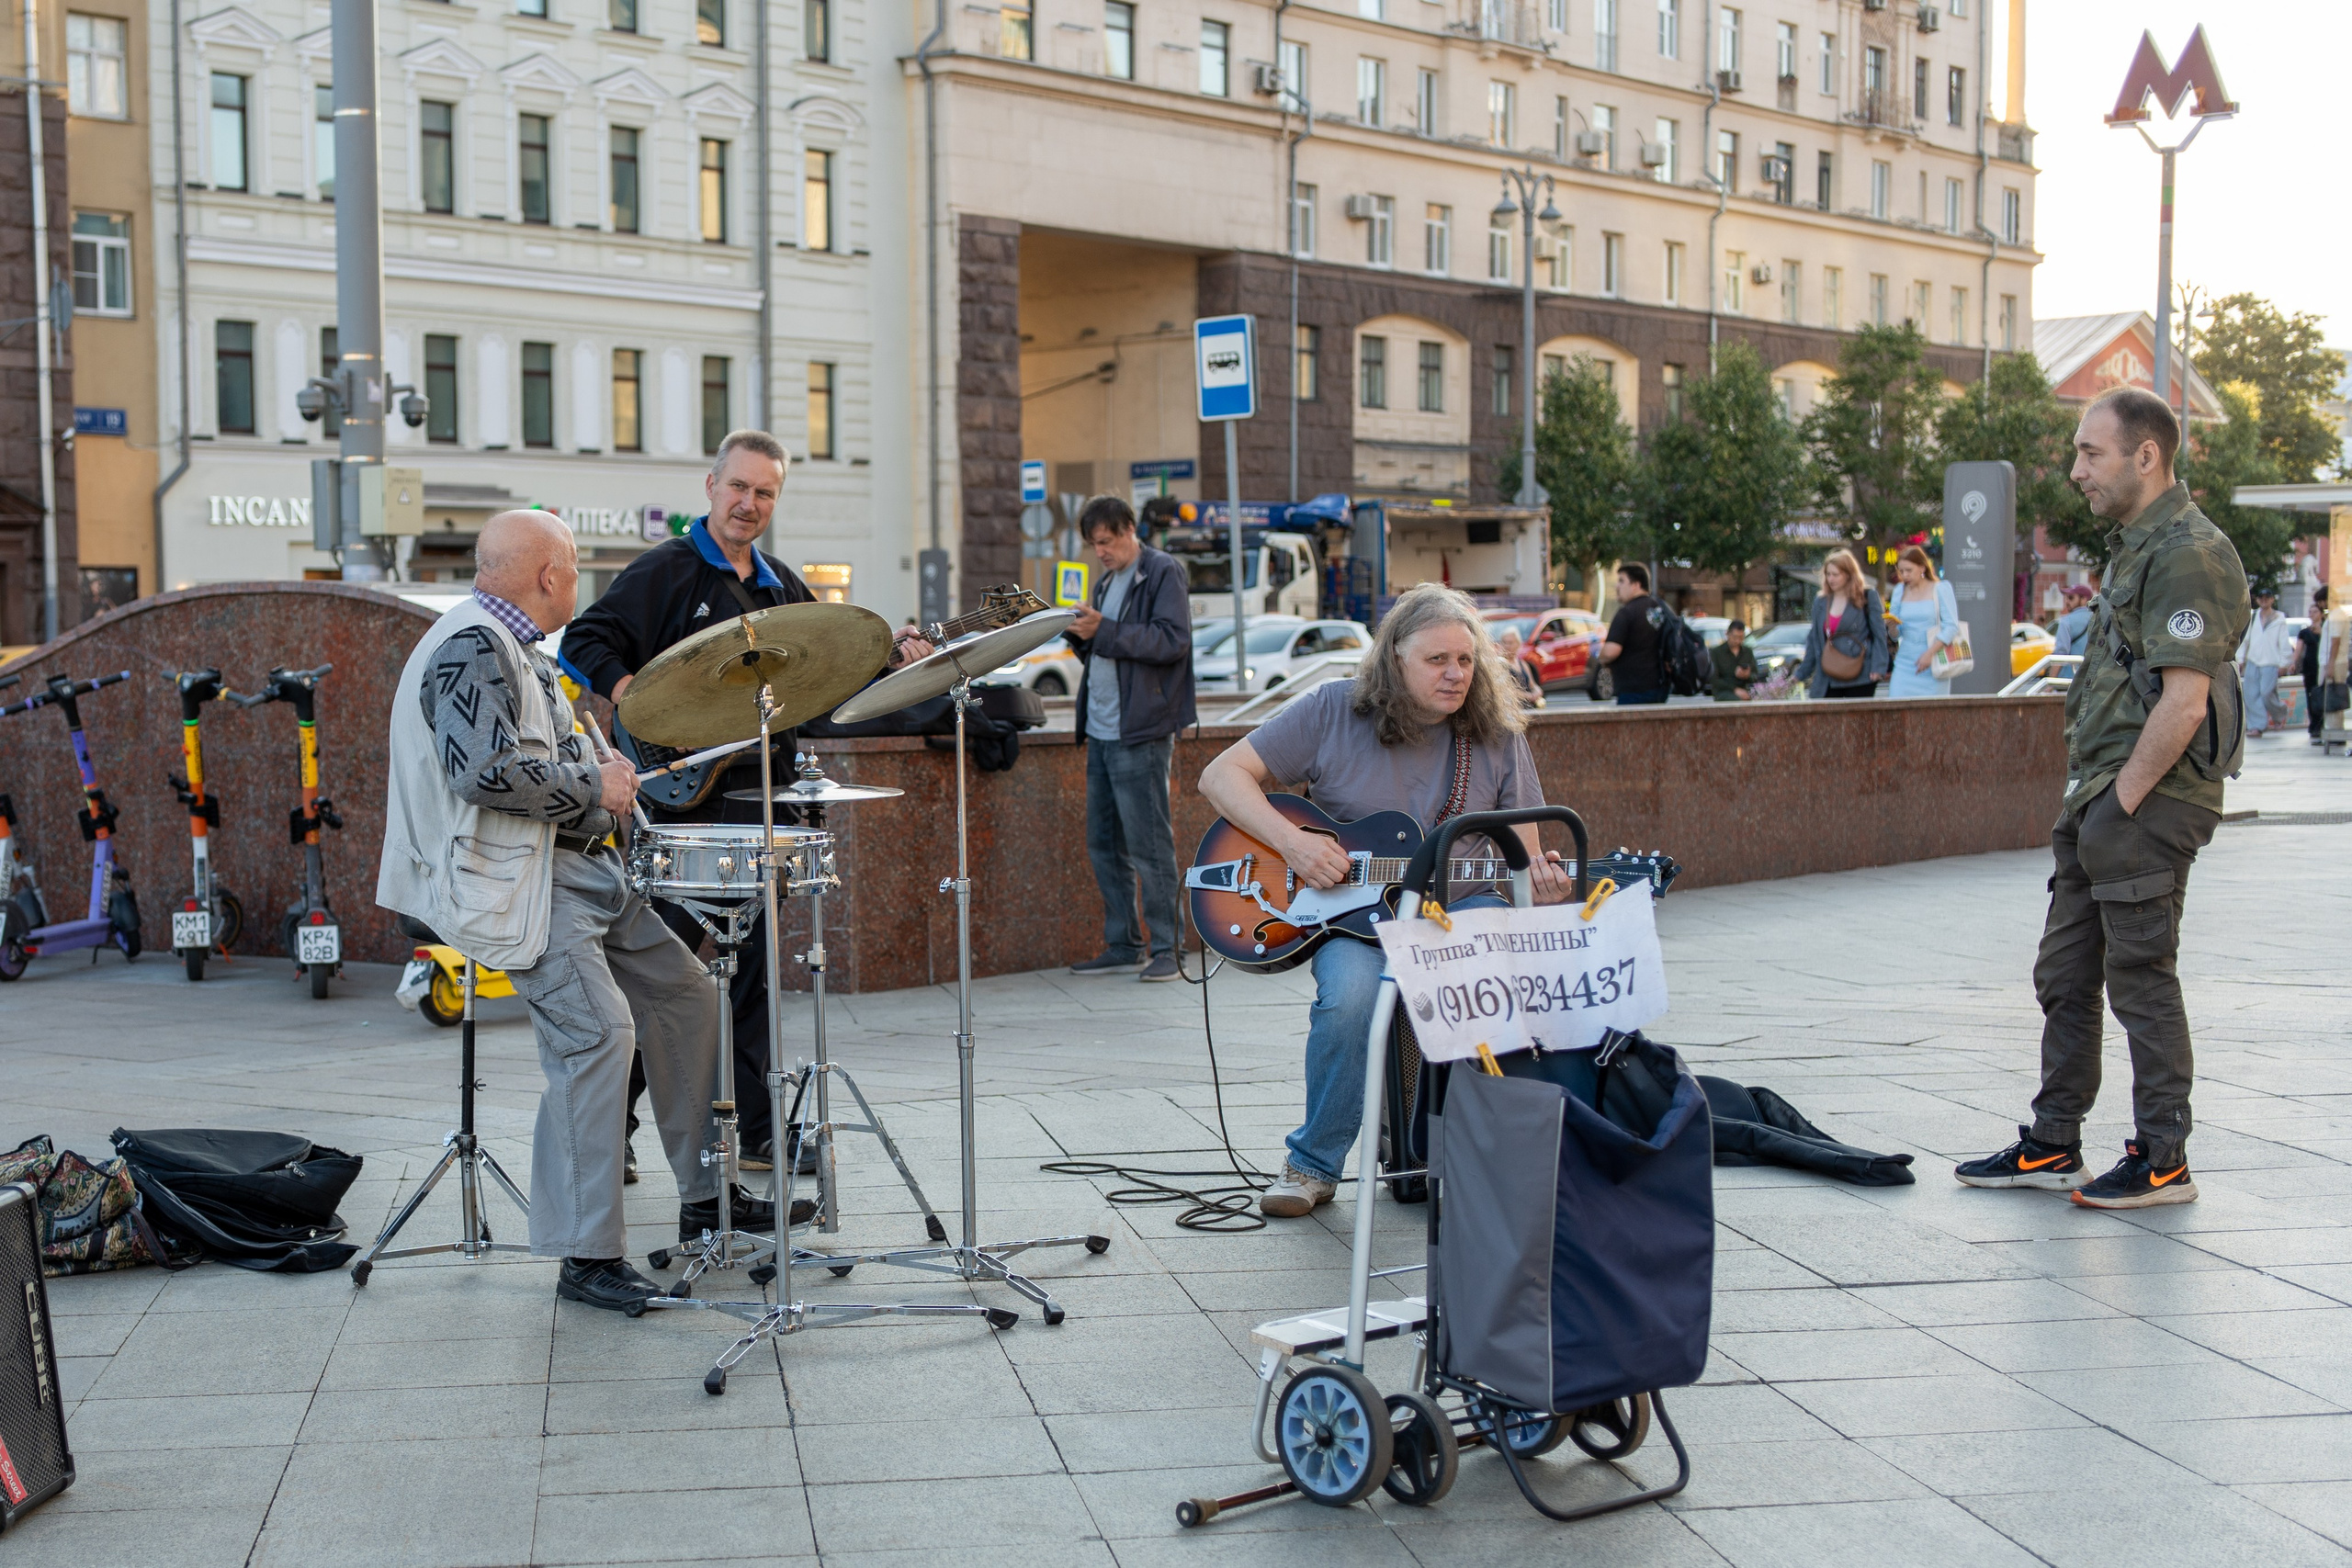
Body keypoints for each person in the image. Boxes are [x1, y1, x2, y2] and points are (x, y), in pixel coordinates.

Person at [378, 511, 767, 1312]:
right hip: (520, 881)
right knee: (597, 1035)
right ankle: (585, 1254)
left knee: (688, 995)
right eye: (576, 566)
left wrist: (595, 765)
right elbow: (485, 773)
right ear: (548, 575)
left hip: (576, 867)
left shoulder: (514, 643)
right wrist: (596, 784)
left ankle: (705, 1200)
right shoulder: (471, 644)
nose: (580, 580)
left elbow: (527, 756)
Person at [560, 429, 930, 1174]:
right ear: (711, 486)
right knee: (657, 976)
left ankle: (759, 1131)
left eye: (764, 492)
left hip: (761, 803)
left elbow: (823, 688)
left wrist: (891, 661)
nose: (748, 503)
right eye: (738, 486)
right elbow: (583, 640)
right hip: (681, 809)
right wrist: (641, 700)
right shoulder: (664, 570)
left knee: (756, 975)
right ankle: (608, 1129)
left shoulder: (782, 587)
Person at [1197, 584, 1576, 1219]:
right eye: (1438, 659)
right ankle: (1313, 1164)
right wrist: (1294, 845)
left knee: (1485, 985)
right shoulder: (1331, 709)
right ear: (1394, 657)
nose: (1456, 674)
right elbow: (1220, 776)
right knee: (1350, 1001)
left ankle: (1475, 1153)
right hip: (1348, 913)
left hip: (1462, 901)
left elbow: (1523, 858)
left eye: (1466, 659)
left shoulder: (1495, 732)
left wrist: (1545, 887)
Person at [1956, 386, 2247, 1210]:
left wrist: (2120, 803)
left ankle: (2163, 1159)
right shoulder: (2136, 545)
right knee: (2066, 972)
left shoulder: (2189, 551)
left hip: (2149, 800)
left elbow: (2184, 701)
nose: (2076, 469)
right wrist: (2095, 802)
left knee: (2140, 977)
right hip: (2102, 796)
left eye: (2091, 452)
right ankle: (2054, 1142)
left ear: (2145, 456)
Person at [1063, 495, 1196, 983]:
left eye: (1106, 541)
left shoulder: (1161, 571)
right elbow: (1107, 650)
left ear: (1128, 531)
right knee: (1103, 843)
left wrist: (1105, 630)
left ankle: (1169, 949)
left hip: (1140, 731)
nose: (1100, 551)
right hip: (1101, 730)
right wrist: (1080, 634)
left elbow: (1172, 640)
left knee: (1149, 844)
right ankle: (1123, 944)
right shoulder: (1106, 582)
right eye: (1093, 544)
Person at [1792, 549, 1889, 699]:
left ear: (1849, 574)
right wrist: (1800, 674)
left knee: (1856, 714)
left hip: (1860, 672)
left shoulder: (1867, 597)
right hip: (1828, 674)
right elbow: (1814, 641)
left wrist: (1878, 667)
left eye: (1836, 574)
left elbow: (1879, 635)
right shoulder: (1821, 602)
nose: (1831, 579)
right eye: (1828, 574)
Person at [1885, 545, 1961, 699]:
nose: (1905, 575)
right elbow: (1896, 634)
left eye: (1909, 570)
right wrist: (1892, 627)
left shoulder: (1940, 588)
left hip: (1935, 660)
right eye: (1901, 571)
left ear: (1922, 567)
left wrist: (1929, 654)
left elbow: (1951, 625)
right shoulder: (1899, 590)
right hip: (1905, 662)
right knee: (1897, 705)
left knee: (1932, 710)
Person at [1600, 564, 1669, 705]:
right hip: (1661, 687)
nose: (1617, 586)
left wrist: (1600, 657)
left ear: (1636, 585)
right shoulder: (1663, 609)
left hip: (1633, 690)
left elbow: (1610, 652)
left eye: (1621, 581)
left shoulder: (1627, 613)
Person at [2234, 586, 2296, 739]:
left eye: (2267, 598)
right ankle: (2257, 726)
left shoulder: (2279, 618)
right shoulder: (2253, 616)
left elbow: (2284, 641)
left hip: (2270, 661)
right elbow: (2245, 639)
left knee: (2267, 693)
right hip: (2253, 660)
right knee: (2251, 694)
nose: (2264, 600)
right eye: (2261, 598)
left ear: (2272, 600)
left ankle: (2279, 714)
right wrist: (2240, 659)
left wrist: (2284, 662)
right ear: (2257, 600)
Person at [2297, 586, 2330, 745]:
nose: (2312, 614)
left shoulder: (2327, 626)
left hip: (2322, 665)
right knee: (2311, 696)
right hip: (2310, 667)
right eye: (2310, 612)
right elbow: (2299, 649)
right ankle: (2314, 725)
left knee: (2323, 696)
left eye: (2315, 611)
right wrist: (2293, 663)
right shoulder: (2305, 632)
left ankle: (2323, 724)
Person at [1496, 625, 1545, 707]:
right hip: (1512, 708)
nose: (1507, 646)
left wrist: (1538, 692)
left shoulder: (1522, 663)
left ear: (1518, 644)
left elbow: (1533, 685)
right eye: (1504, 642)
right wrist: (1530, 696)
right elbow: (1507, 691)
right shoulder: (1500, 663)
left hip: (1529, 707)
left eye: (1510, 643)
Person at [1711, 620, 1758, 701]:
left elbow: (1755, 675)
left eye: (1741, 638)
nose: (1737, 641)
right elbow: (1714, 679)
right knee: (1736, 700)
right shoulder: (1716, 652)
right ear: (1727, 634)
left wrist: (1747, 675)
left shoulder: (1747, 652)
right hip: (1724, 691)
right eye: (1735, 637)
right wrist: (1734, 689)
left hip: (1744, 689)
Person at [2052, 583, 2097, 658]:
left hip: (2072, 665)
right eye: (2066, 598)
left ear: (2083, 599)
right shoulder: (2098, 618)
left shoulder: (2066, 621)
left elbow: (2060, 654)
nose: (2067, 601)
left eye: (2071, 598)